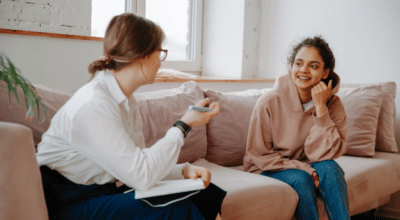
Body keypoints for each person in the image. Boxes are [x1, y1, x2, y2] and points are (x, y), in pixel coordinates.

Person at [36, 13, 226, 220]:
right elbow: (141, 176)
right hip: (66, 202)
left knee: (205, 193)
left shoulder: (127, 101)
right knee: (174, 209)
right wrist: (183, 125)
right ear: (141, 55)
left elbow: (139, 165)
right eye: (159, 52)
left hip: (100, 192)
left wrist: (183, 171)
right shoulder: (94, 104)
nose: (161, 63)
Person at [243, 36, 350, 220]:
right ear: (291, 66)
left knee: (331, 169)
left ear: (325, 72)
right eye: (298, 63)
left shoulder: (333, 104)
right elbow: (259, 154)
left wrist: (321, 109)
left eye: (313, 66)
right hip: (268, 167)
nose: (303, 70)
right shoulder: (268, 102)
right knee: (301, 179)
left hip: (307, 162)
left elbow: (327, 154)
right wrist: (305, 169)